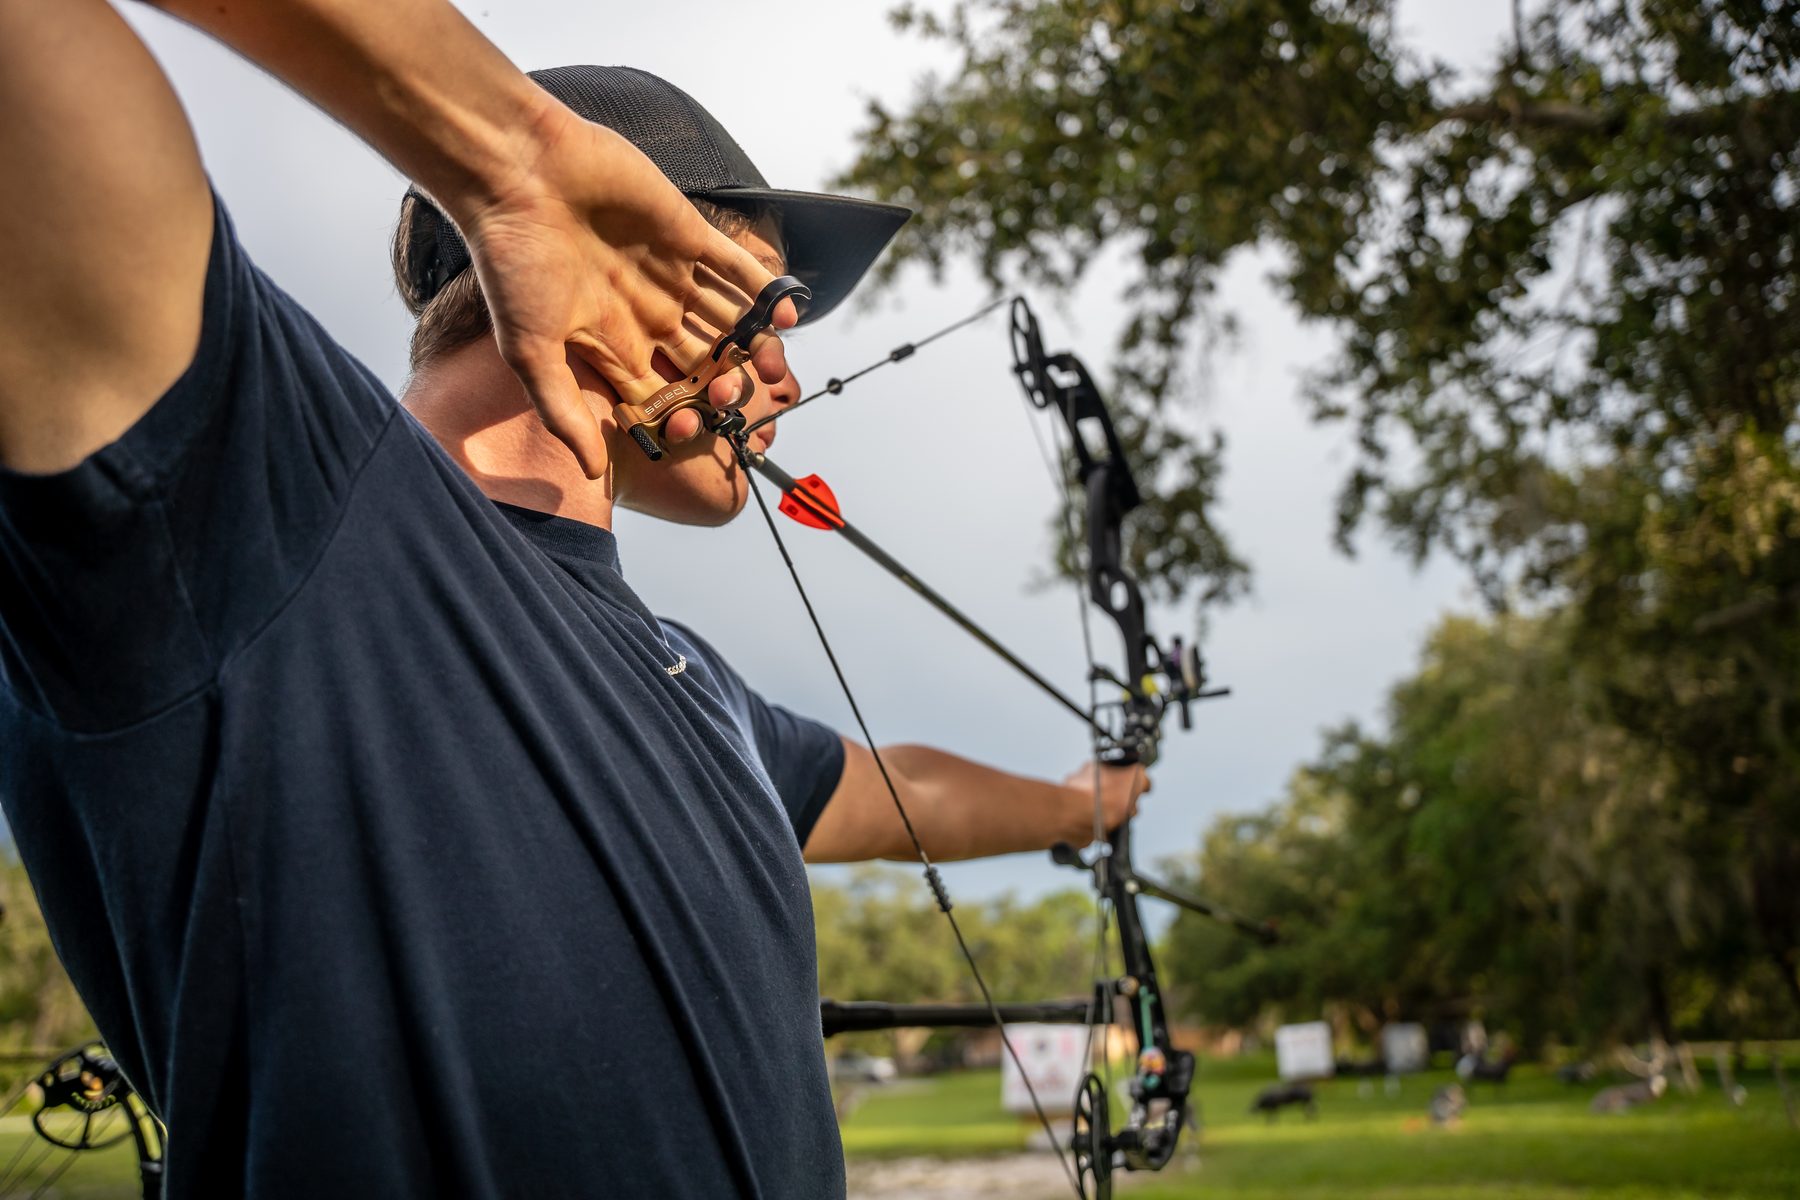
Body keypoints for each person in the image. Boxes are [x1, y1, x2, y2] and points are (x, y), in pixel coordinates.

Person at [0, 7, 1147, 1200]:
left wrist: (1088, 803)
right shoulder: (270, 513)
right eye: (756, 307)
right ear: (607, 268)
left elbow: (902, 794)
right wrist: (515, 157)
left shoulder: (696, 690)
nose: (786, 376)